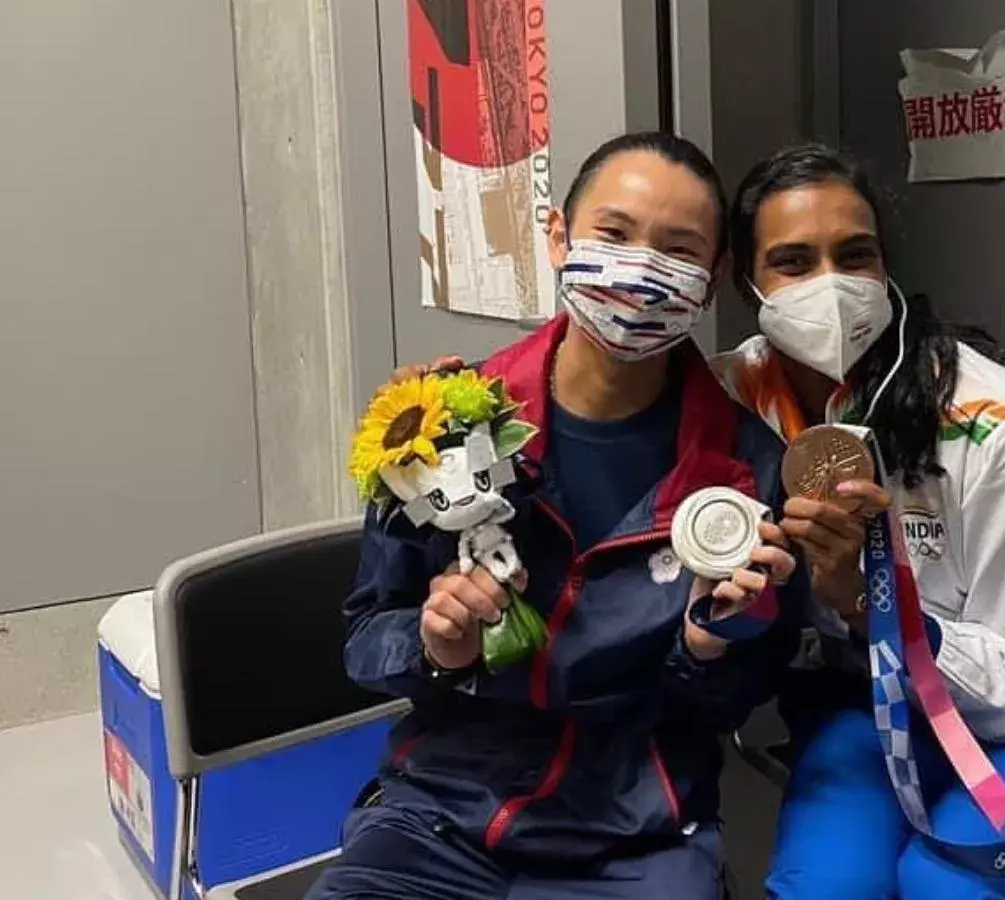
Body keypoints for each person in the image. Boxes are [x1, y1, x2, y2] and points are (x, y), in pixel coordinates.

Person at [308, 132, 804, 900]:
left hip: (633, 840)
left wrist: (708, 647)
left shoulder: (748, 471)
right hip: (439, 818)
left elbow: (734, 702)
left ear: (711, 281)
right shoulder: (443, 428)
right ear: (558, 237)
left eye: (678, 250)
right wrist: (438, 650)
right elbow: (367, 635)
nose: (641, 271)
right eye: (615, 234)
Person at [714, 143, 1005, 900]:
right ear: (746, 281)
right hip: (863, 698)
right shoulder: (734, 395)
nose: (829, 286)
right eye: (792, 262)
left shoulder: (996, 422)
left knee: (950, 888)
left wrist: (869, 603)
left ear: (885, 267)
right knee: (827, 889)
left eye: (853, 255)